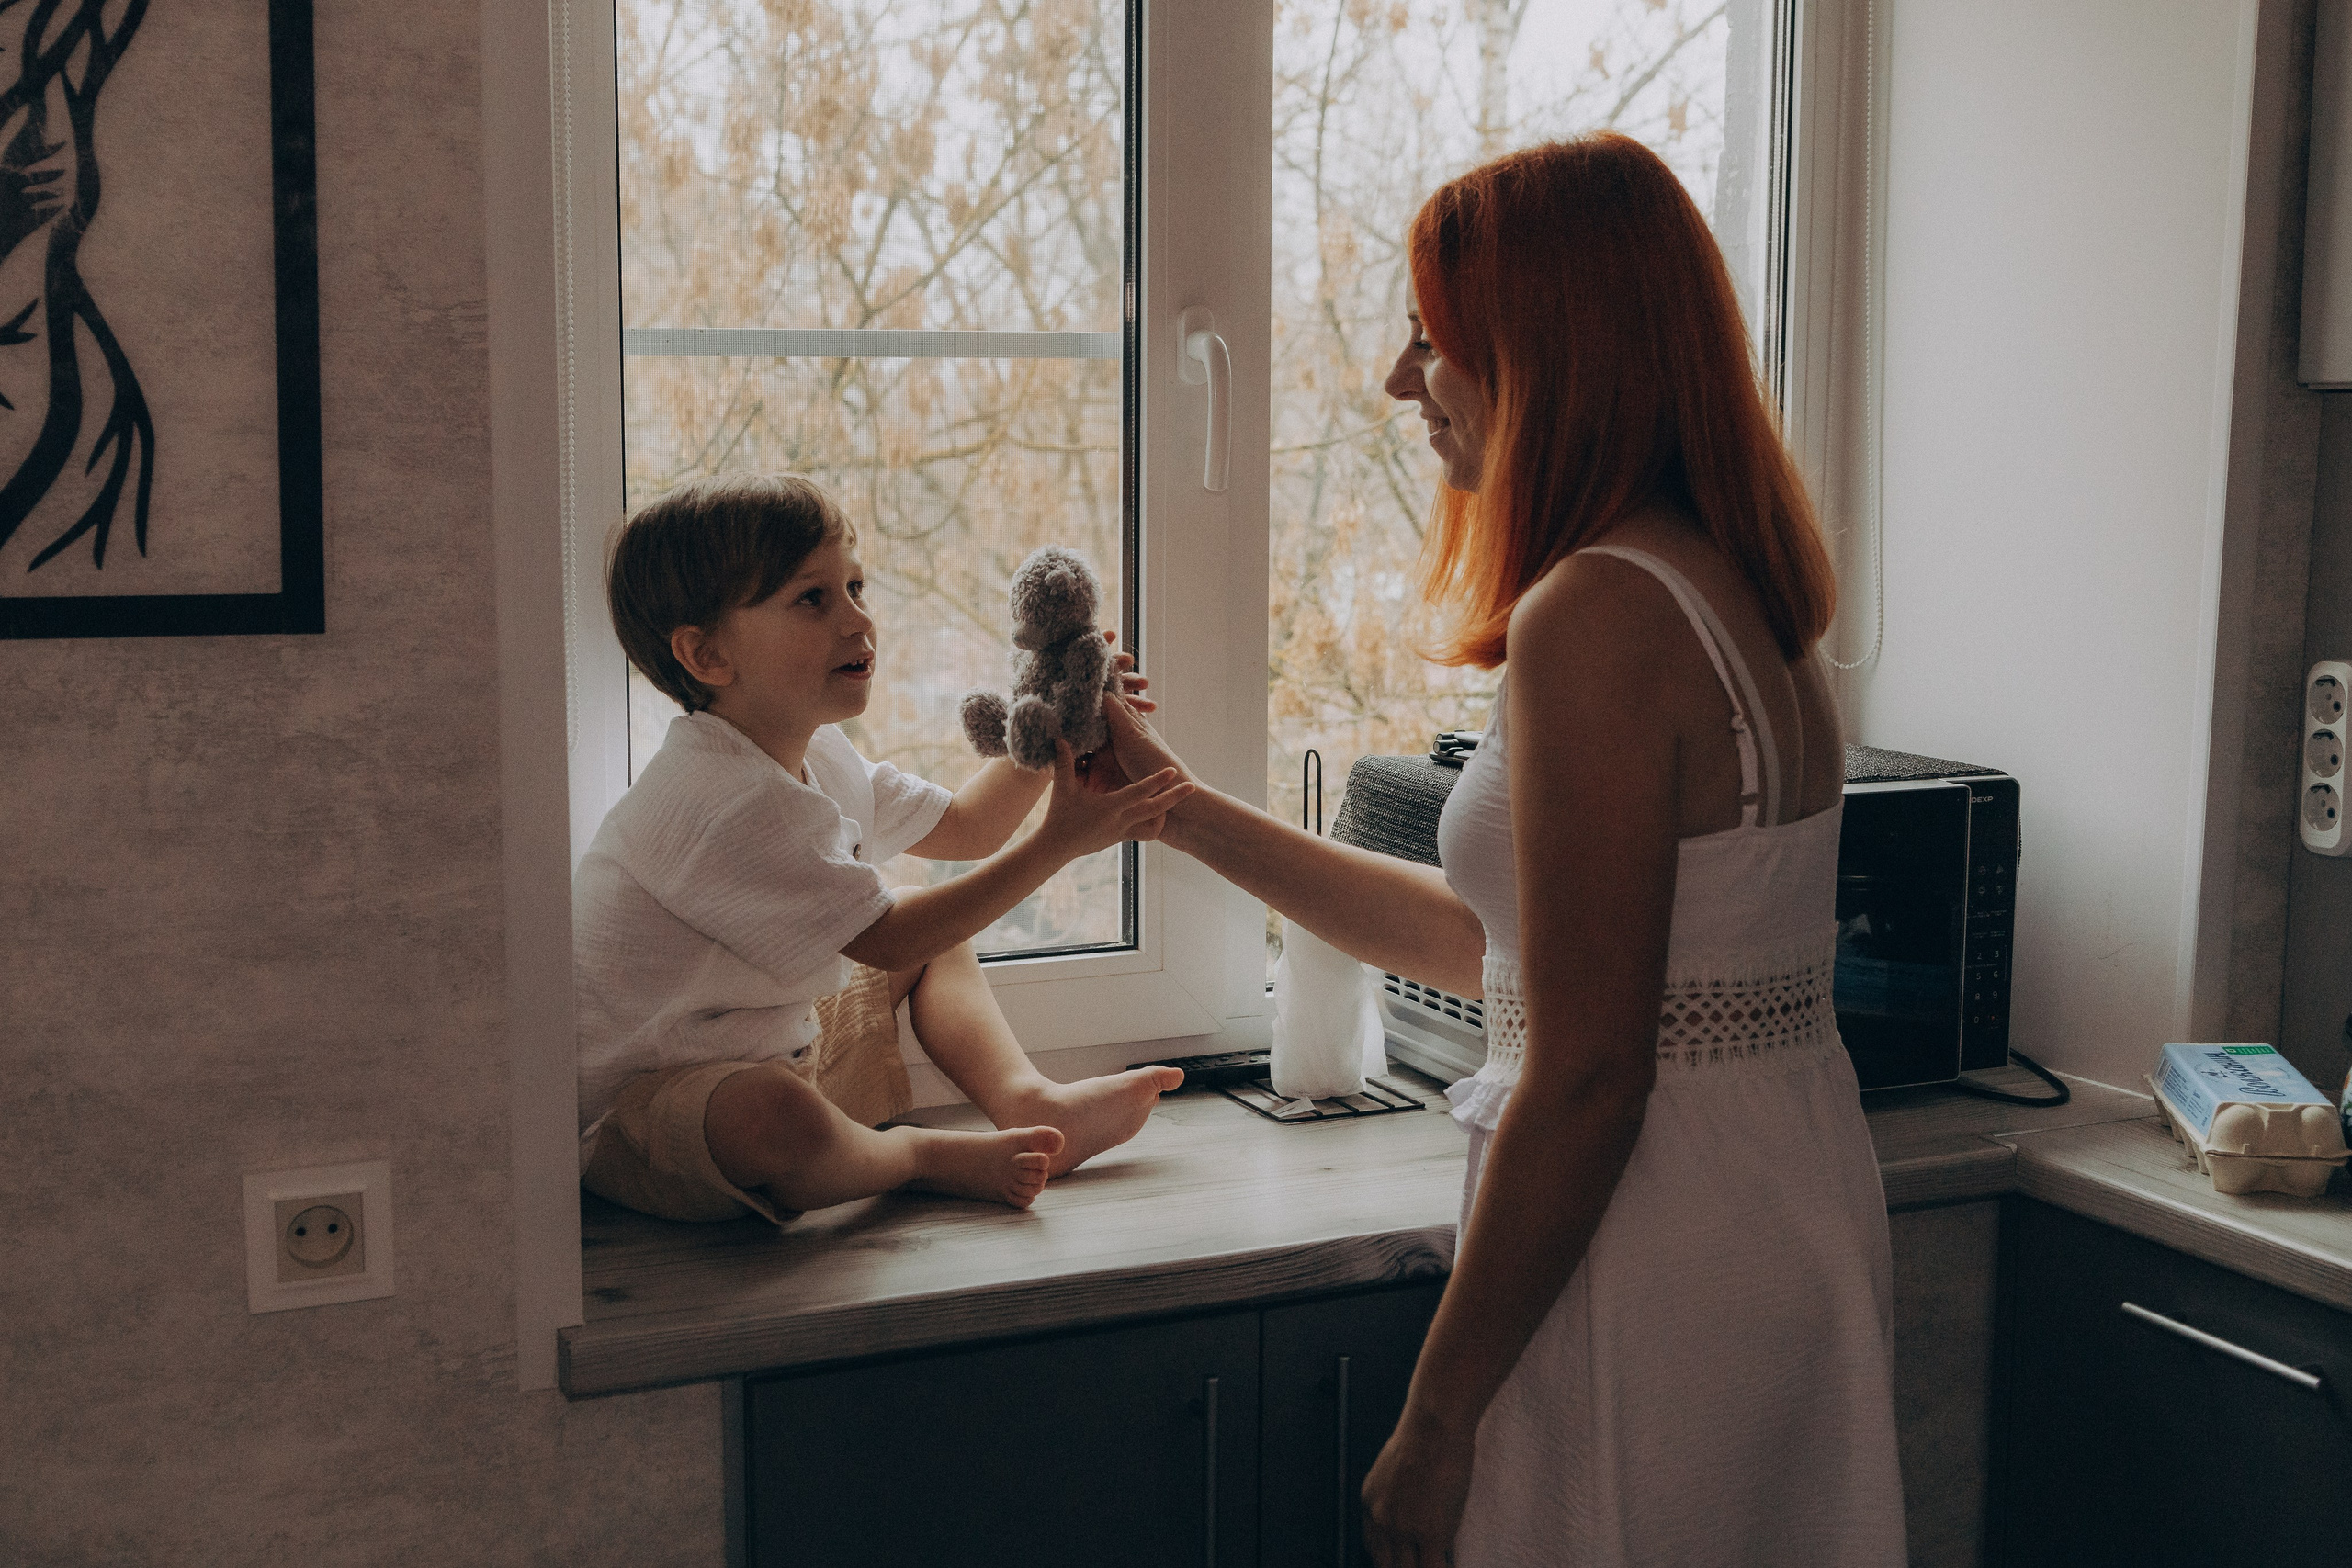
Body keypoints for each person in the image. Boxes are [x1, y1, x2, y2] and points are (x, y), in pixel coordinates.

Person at [1091, 134, 1906, 1565]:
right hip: (1776, 1207)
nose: (1403, 381)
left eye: (1430, 339)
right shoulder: (1742, 589)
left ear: (1549, 353)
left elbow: (1591, 1068)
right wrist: (1181, 805)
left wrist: (1440, 1411)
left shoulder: (1591, 613)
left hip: (1643, 1238)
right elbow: (1504, 952)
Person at [574, 474, 1190, 1225]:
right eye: (814, 599)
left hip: (775, 1047)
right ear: (706, 656)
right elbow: (887, 939)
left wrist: (1063, 723)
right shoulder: (722, 800)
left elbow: (967, 825)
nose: (858, 619)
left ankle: (1026, 1100)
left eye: (856, 586)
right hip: (646, 1113)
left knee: (927, 934)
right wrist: (1060, 842)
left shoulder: (818, 754)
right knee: (776, 1114)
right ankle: (918, 1156)